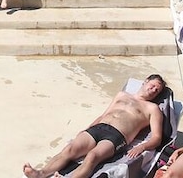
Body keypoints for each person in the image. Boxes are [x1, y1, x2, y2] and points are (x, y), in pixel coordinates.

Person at [22, 75, 167, 178]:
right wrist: (87, 129)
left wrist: (142, 147)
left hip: (117, 136)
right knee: (69, 149)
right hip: (98, 128)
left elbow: (157, 138)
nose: (154, 89)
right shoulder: (121, 95)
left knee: (92, 156)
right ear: (145, 82)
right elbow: (103, 114)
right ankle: (40, 174)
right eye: (153, 85)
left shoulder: (152, 109)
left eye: (158, 90)